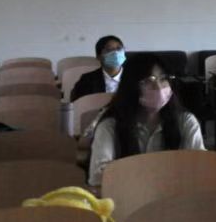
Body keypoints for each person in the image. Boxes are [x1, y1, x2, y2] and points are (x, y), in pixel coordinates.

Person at [87, 53, 205, 185]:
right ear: (131, 86)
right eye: (149, 80)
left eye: (163, 78)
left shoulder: (185, 121)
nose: (159, 87)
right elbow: (98, 176)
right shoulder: (110, 125)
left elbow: (201, 165)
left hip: (175, 193)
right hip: (127, 194)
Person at [71, 35, 126, 102]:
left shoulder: (134, 77)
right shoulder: (87, 80)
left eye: (119, 48)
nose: (115, 53)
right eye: (109, 50)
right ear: (99, 57)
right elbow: (77, 103)